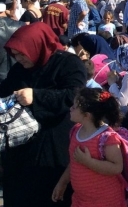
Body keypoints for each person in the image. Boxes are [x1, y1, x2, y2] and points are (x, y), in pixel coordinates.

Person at [0, 23, 87, 207]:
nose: (18, 58)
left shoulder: (68, 63)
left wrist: (37, 96)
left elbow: (75, 95)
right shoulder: (19, 69)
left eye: (22, 53)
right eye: (15, 54)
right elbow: (5, 91)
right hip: (21, 149)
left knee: (50, 194)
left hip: (54, 145)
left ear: (37, 45)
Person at [51, 88, 126, 207]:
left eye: (74, 107)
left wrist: (88, 162)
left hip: (106, 201)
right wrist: (62, 182)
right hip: (81, 200)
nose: (70, 108)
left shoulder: (106, 137)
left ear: (87, 115)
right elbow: (74, 163)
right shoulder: (75, 131)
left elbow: (117, 167)